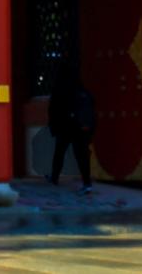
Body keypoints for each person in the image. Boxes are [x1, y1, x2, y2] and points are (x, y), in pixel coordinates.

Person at [47, 64, 98, 194]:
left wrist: (54, 127)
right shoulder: (83, 91)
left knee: (59, 152)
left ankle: (54, 177)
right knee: (82, 156)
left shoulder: (60, 89)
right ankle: (87, 183)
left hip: (65, 127)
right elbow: (92, 112)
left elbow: (54, 110)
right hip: (81, 129)